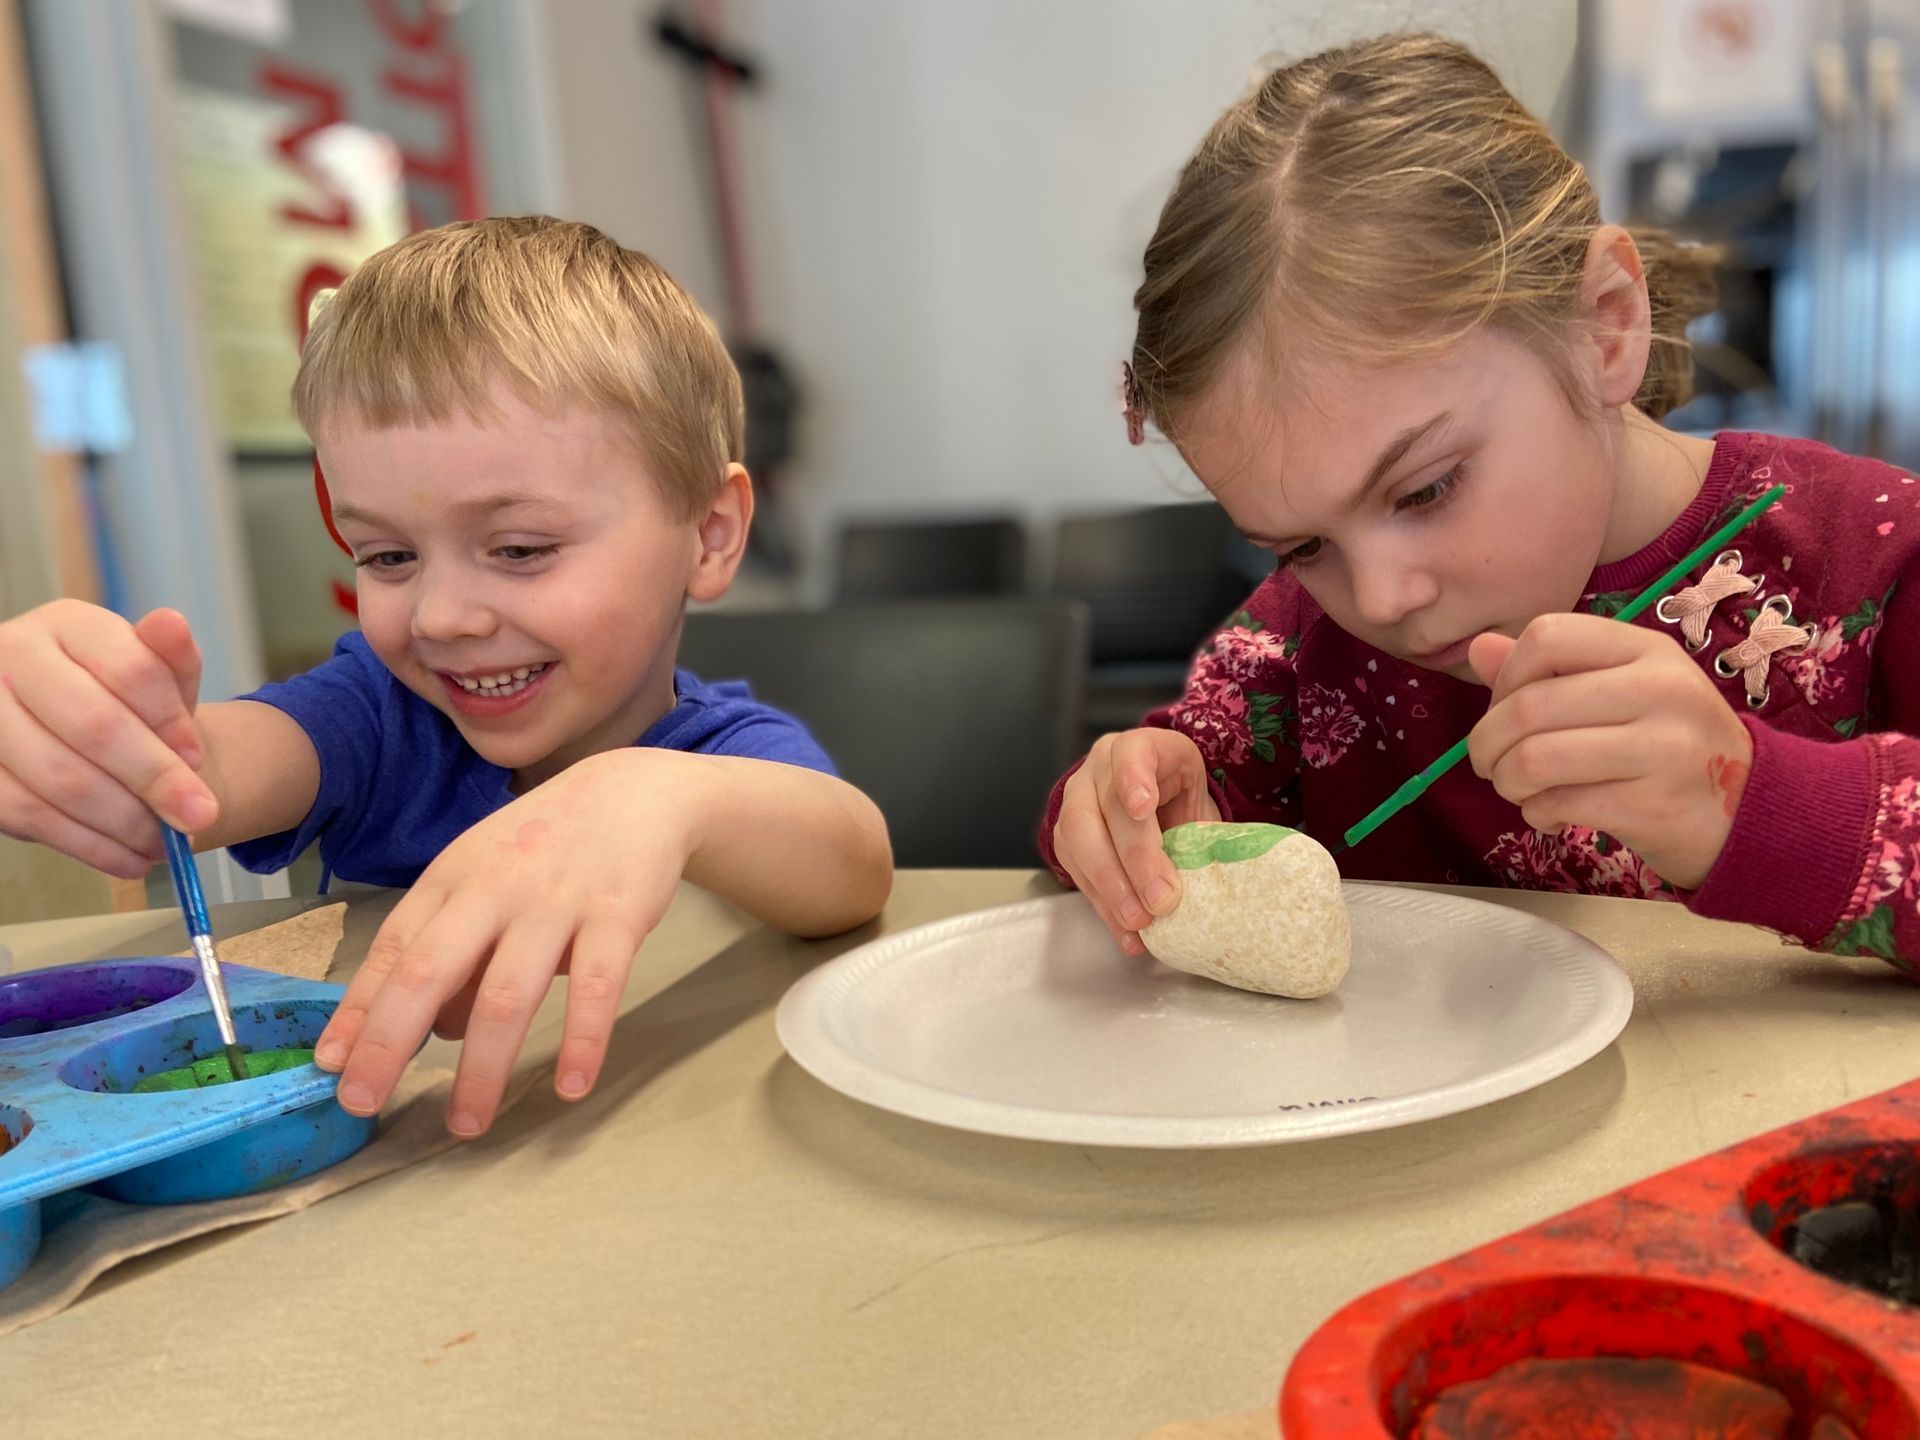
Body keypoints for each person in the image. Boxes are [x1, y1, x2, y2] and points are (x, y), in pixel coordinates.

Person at [1044, 33, 1920, 979]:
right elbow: (1175, 790)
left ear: (1604, 325)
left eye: (1426, 488)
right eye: (1300, 546)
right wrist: (1127, 814)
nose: (1381, 598)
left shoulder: (1872, 554)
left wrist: (1750, 804)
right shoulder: (1300, 644)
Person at [0, 217, 893, 1135]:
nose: (440, 617)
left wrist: (653, 795)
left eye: (519, 548)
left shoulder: (715, 757)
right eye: (387, 556)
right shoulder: (380, 718)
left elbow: (854, 868)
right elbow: (196, 778)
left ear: (709, 535)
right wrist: (90, 728)